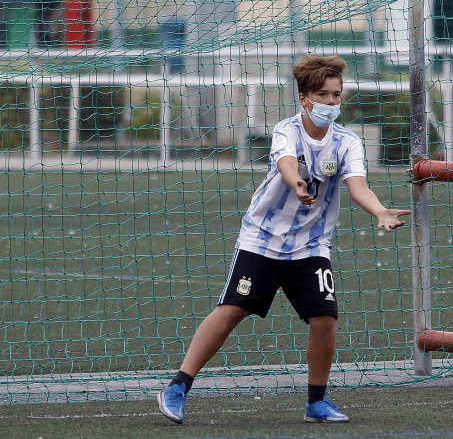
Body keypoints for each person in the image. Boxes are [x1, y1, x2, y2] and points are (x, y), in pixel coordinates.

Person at [157, 54, 411, 424]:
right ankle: (177, 386)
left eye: (337, 95)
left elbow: (358, 185)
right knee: (231, 311)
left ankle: (316, 403)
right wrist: (295, 183)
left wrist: (380, 211)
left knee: (325, 318)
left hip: (311, 246)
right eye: (323, 95)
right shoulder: (287, 130)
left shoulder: (347, 142)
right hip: (262, 240)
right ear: (304, 98)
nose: (331, 103)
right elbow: (286, 163)